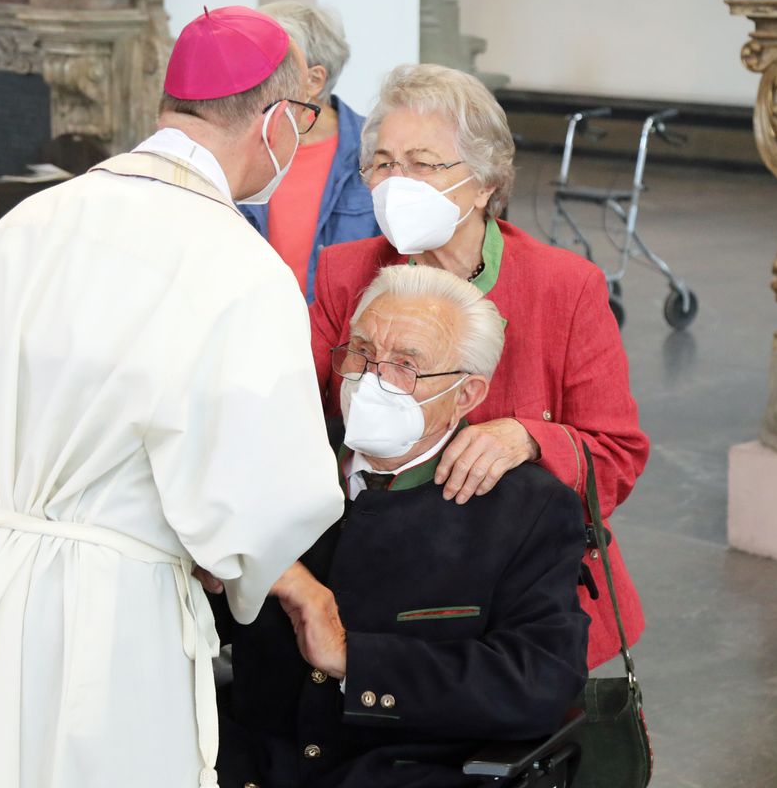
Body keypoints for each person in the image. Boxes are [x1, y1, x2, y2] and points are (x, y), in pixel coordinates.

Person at [0, 6, 345, 788]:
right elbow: (260, 502)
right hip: (102, 611)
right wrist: (248, 569)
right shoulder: (236, 262)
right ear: (273, 122)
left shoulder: (31, 220)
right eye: (302, 117)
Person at [309, 64, 649, 669]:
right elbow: (295, 417)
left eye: (422, 163)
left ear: (484, 183)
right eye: (383, 164)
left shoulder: (563, 287)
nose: (396, 182)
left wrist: (530, 438)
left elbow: (618, 453)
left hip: (519, 601)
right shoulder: (344, 272)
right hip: (377, 583)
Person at [217, 264, 590, 788]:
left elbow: (538, 682)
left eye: (405, 366)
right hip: (250, 763)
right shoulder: (283, 459)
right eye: (362, 353)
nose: (371, 379)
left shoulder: (525, 510)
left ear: (465, 395)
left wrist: (354, 658)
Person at [240, 1, 378, 302]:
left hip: (344, 340)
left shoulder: (376, 153)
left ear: (313, 80)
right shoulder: (238, 142)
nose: (250, 72)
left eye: (267, 61)